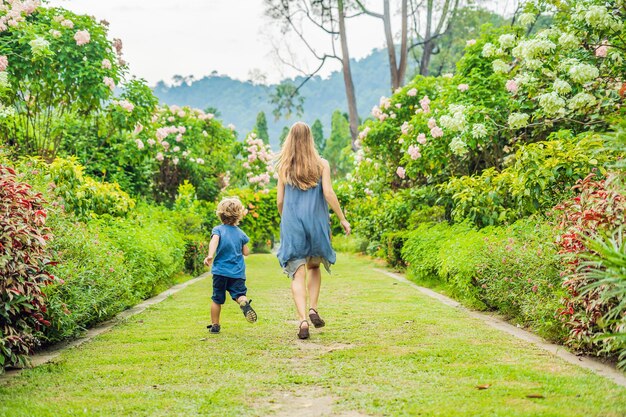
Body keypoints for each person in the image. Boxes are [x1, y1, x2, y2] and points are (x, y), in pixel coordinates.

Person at [276, 121, 351, 340]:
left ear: (290, 139)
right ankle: (313, 308)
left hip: (292, 224)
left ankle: (302, 320)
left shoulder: (284, 167)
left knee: (297, 273)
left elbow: (280, 201)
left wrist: (286, 219)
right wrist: (342, 219)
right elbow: (328, 193)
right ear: (310, 139)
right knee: (314, 267)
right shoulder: (321, 164)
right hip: (316, 223)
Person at [203, 197, 257, 334]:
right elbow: (246, 252)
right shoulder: (240, 233)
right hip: (237, 273)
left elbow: (214, 241)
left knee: (217, 299)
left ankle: (215, 325)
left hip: (220, 272)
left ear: (220, 214)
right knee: (239, 294)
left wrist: (210, 255)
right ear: (238, 215)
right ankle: (244, 302)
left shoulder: (218, 230)